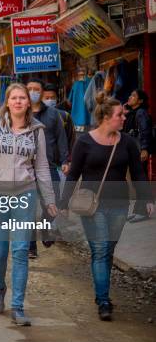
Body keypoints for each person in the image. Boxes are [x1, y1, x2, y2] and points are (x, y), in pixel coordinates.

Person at [0, 83, 57, 326]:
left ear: (29, 103)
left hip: (25, 196)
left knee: (20, 251)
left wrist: (49, 200)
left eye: (22, 98)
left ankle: (18, 306)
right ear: (7, 102)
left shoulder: (37, 130)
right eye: (14, 98)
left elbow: (42, 167)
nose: (18, 101)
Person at [60, 92, 154, 321]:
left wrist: (146, 199)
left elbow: (139, 172)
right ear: (106, 117)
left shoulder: (128, 142)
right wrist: (63, 204)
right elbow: (73, 174)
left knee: (108, 251)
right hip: (92, 206)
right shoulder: (84, 141)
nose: (124, 117)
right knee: (100, 250)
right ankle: (103, 299)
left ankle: (101, 291)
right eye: (120, 114)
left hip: (119, 205)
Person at [26, 78, 69, 258]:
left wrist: (66, 160)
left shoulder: (53, 115)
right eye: (30, 89)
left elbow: (61, 138)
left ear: (42, 93)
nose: (34, 92)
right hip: (25, 168)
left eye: (37, 89)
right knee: (27, 208)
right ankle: (31, 247)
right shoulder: (20, 113)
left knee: (52, 203)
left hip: (49, 166)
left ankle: (44, 227)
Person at [123, 89, 153, 223]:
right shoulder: (132, 113)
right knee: (137, 181)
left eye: (133, 96)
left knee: (141, 181)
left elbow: (145, 131)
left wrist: (145, 149)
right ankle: (138, 210)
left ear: (140, 101)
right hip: (133, 151)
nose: (130, 97)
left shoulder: (141, 113)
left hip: (139, 151)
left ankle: (144, 211)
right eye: (130, 94)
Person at [43, 83, 76, 159]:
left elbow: (71, 140)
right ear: (41, 99)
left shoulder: (65, 116)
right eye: (46, 98)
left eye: (52, 98)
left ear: (57, 98)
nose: (50, 100)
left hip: (61, 162)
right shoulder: (36, 117)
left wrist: (69, 159)